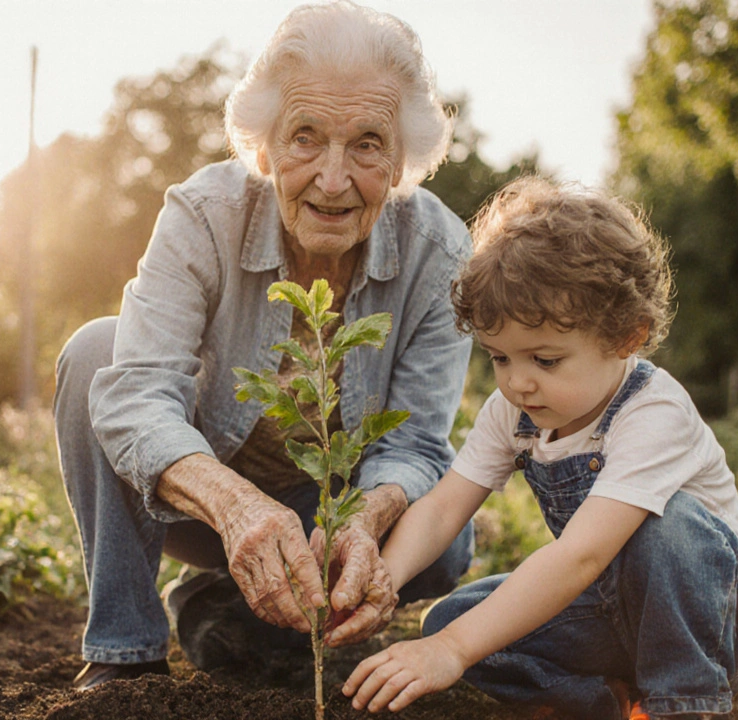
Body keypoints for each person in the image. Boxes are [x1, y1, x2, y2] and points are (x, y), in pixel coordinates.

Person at [54, 0, 474, 690]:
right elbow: (137, 393)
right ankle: (125, 655)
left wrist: (365, 520)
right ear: (263, 146)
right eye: (305, 136)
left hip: (332, 523)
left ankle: (232, 612)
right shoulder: (202, 215)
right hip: (199, 506)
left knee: (447, 539)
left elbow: (419, 444)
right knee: (98, 352)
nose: (333, 180)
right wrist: (238, 506)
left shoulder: (439, 252)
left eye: (367, 144)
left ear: (402, 163)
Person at [342, 177, 738, 719]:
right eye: (500, 358)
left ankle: (684, 701)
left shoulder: (654, 412)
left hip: (724, 616)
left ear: (627, 336)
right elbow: (441, 507)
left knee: (667, 528)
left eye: (545, 360)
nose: (518, 382)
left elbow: (582, 555)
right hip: (608, 608)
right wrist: (384, 579)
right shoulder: (514, 413)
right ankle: (604, 705)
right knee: (447, 621)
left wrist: (452, 653)